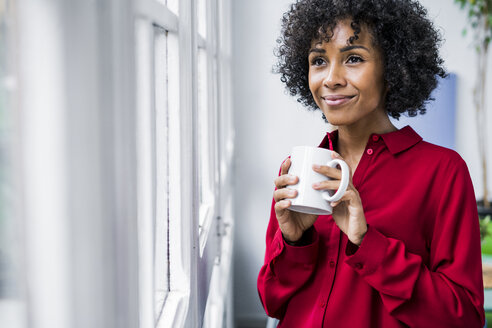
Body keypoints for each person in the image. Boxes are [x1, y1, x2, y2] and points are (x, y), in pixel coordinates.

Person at [257, 0, 485, 327]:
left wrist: (368, 243)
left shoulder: (443, 172)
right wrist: (294, 243)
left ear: (391, 69)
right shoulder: (299, 172)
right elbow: (272, 302)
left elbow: (463, 317)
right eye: (319, 60)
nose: (331, 79)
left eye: (353, 58)